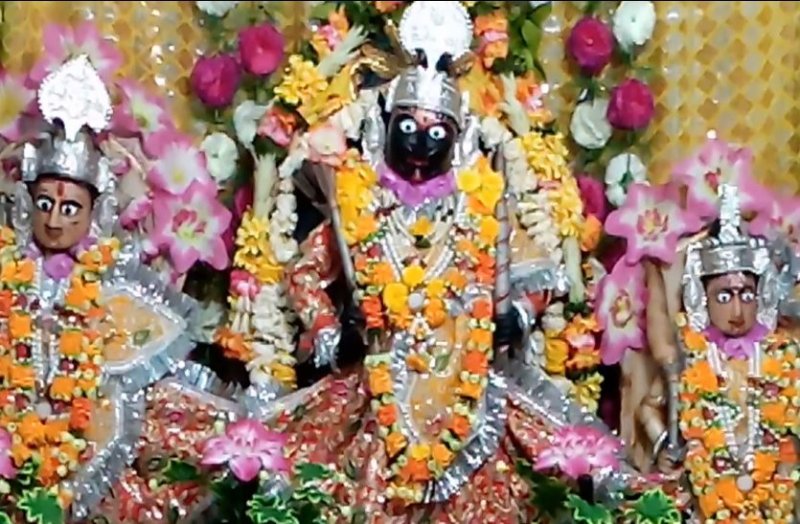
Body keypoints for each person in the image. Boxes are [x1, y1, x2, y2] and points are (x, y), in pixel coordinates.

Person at [243, 2, 638, 521]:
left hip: (467, 386)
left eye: (436, 134)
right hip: (379, 387)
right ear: (386, 127)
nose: (420, 145)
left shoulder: (479, 203)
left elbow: (540, 272)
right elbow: (304, 272)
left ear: (456, 139)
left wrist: (520, 314)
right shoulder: (360, 201)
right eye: (408, 127)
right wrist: (329, 328)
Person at [0, 55, 221, 522]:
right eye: (45, 204)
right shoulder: (6, 269)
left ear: (95, 215)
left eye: (70, 209)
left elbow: (150, 354)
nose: (54, 220)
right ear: (25, 206)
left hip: (88, 444)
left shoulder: (112, 281)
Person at [624, 184, 799, 522]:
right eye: (724, 296)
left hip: (775, 501)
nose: (737, 310)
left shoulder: (782, 355)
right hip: (707, 500)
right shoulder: (691, 357)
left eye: (746, 294)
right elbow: (648, 408)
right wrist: (664, 445)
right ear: (703, 299)